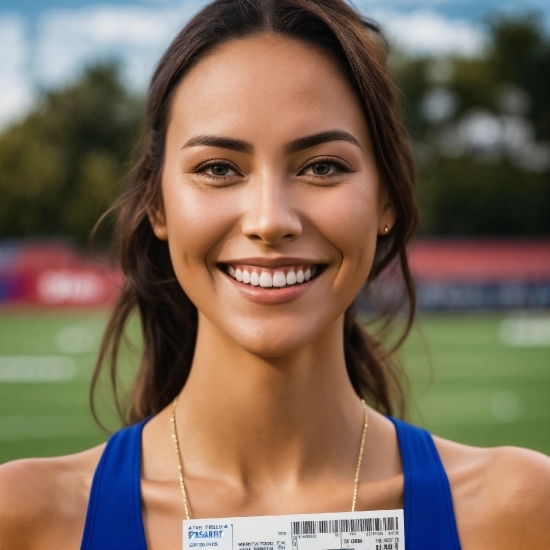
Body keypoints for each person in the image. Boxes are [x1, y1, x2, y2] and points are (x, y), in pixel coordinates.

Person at [1, 0, 549, 548]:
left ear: (387, 199)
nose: (269, 221)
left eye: (322, 166)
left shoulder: (521, 509)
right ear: (158, 206)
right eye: (218, 168)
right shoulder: (24, 518)